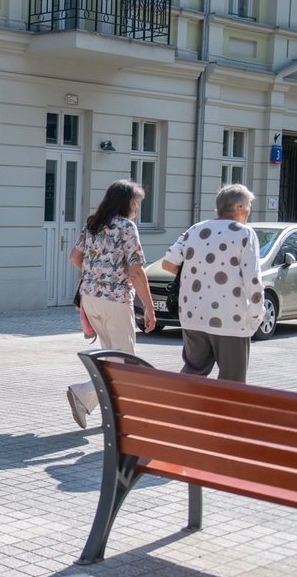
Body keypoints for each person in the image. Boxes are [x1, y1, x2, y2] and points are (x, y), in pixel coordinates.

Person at [67, 180, 156, 429]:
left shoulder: (93, 223)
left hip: (90, 298)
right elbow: (137, 271)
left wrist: (96, 273)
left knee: (111, 357)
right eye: (135, 201)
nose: (137, 207)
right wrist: (148, 306)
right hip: (115, 300)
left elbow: (75, 257)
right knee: (125, 360)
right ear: (126, 202)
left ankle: (110, 409)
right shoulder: (126, 227)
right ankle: (85, 395)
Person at [161, 184, 264, 382]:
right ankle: (223, 413)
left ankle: (182, 410)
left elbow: (168, 263)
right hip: (230, 318)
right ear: (240, 208)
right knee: (232, 381)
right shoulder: (244, 233)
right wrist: (256, 314)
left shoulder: (195, 229)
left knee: (193, 373)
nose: (250, 210)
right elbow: (253, 279)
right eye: (249, 205)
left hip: (194, 314)